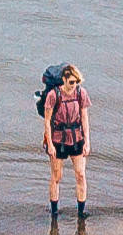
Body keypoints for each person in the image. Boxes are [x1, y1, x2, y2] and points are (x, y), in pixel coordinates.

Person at [38, 61, 89, 218]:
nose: (74, 85)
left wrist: (87, 141)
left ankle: (81, 211)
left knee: (80, 174)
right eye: (72, 82)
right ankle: (54, 212)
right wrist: (50, 144)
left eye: (77, 82)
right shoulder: (54, 95)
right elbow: (47, 121)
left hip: (76, 138)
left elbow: (85, 117)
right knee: (56, 177)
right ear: (64, 80)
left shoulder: (81, 93)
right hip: (58, 139)